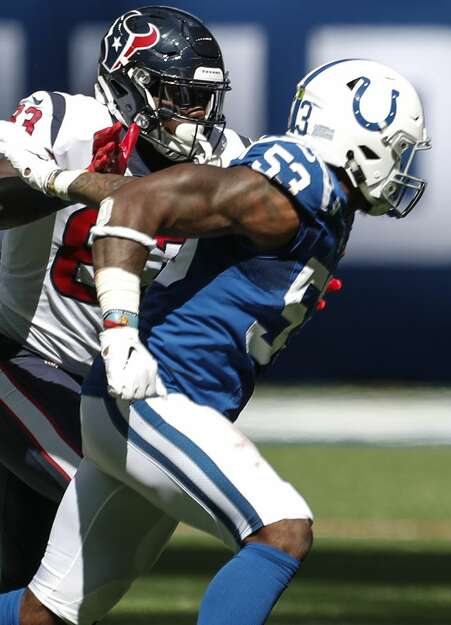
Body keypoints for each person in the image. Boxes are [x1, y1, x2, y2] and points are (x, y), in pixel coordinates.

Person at [0, 58, 429, 625]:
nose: (403, 165)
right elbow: (132, 204)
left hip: (167, 402)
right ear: (361, 136)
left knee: (44, 613)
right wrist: (121, 330)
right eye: (399, 147)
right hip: (151, 394)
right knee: (282, 530)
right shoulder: (295, 182)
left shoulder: (321, 203)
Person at [0, 5, 247, 590]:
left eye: (204, 99)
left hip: (101, 383)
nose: (197, 116)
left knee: (33, 574)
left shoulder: (227, 158)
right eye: (179, 95)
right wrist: (70, 183)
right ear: (127, 86)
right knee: (106, 492)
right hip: (16, 352)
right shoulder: (65, 121)